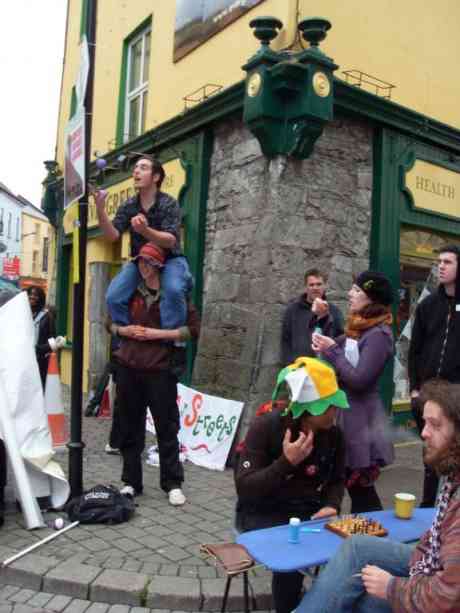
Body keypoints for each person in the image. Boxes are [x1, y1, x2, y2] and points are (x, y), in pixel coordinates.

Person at [296, 378, 460, 613]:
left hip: (443, 593)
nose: (423, 433)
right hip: (433, 566)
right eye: (424, 423)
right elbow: (435, 538)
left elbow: (449, 597)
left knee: (366, 599)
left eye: (435, 425)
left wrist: (391, 587)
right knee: (357, 549)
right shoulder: (453, 474)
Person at [235, 357, 349, 613]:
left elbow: (337, 479)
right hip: (262, 512)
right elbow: (245, 488)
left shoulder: (334, 435)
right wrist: (285, 462)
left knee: (350, 556)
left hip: (308, 512)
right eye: (329, 406)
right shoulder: (266, 426)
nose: (335, 411)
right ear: (307, 409)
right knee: (294, 558)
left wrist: (332, 504)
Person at [110, 243, 200, 506]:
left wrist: (159, 334)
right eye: (140, 262)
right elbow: (109, 322)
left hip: (160, 370)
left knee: (166, 427)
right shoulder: (129, 293)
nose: (143, 267)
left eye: (149, 263)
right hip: (129, 367)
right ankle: (130, 482)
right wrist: (123, 331)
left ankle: (172, 483)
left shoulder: (174, 295)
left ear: (159, 266)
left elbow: (193, 330)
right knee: (129, 426)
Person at [311, 271, 394, 513]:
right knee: (349, 485)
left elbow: (359, 380)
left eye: (357, 290)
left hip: (362, 423)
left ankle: (371, 538)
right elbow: (335, 345)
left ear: (372, 299)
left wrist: (332, 350)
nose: (350, 294)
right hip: (348, 416)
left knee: (361, 491)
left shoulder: (379, 335)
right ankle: (362, 534)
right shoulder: (359, 327)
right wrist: (323, 319)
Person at [94, 155, 193, 333]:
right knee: (113, 296)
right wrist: (100, 209)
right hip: (141, 261)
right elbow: (113, 235)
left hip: (170, 259)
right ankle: (126, 335)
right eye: (135, 168)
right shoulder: (129, 205)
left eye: (143, 167)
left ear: (156, 177)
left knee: (174, 290)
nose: (136, 171)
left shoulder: (168, 203)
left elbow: (171, 240)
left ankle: (172, 342)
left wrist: (145, 230)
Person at [408, 244, 460, 508]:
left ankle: (450, 506)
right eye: (439, 261)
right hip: (426, 393)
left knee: (453, 452)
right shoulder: (428, 304)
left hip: (455, 396)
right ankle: (429, 506)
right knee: (430, 451)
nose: (441, 266)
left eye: (448, 262)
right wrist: (414, 389)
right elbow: (414, 348)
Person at [281, 268, 344, 366]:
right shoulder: (292, 311)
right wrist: (289, 366)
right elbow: (286, 340)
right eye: (311, 285)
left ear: (325, 286)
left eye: (319, 284)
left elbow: (340, 340)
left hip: (325, 369)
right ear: (306, 287)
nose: (315, 288)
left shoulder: (334, 311)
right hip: (299, 368)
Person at [26, 286, 56, 389]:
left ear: (41, 298)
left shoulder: (47, 316)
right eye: (30, 294)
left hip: (40, 361)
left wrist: (39, 349)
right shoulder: (23, 314)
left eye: (35, 295)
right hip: (24, 361)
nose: (32, 297)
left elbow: (53, 342)